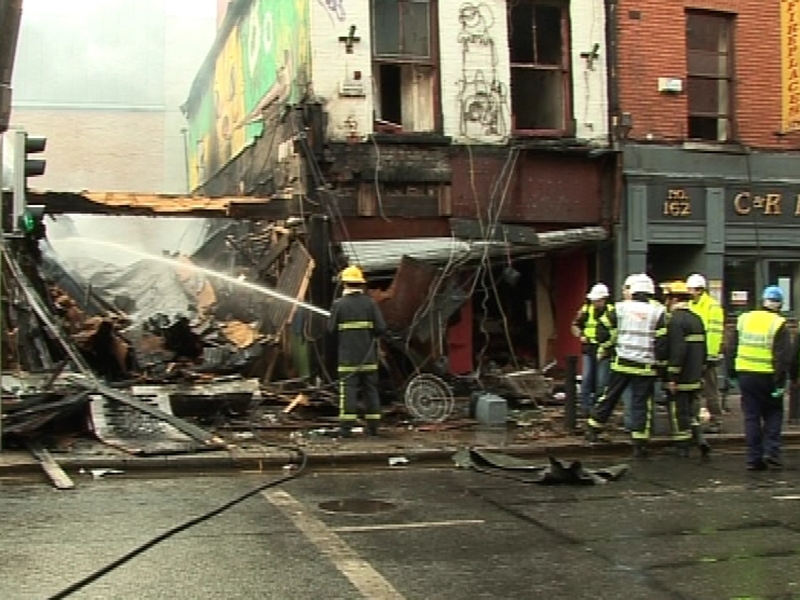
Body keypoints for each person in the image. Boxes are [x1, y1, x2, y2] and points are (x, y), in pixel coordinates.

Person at [586, 274, 668, 458]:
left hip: (621, 363)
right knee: (641, 405)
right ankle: (639, 444)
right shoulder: (658, 312)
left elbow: (602, 330)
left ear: (633, 291)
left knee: (609, 397)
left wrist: (609, 345)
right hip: (645, 367)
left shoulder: (620, 308)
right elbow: (662, 343)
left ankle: (593, 429)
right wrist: (662, 366)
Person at [728, 285, 793, 470]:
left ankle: (753, 458)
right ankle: (772, 452)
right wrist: (781, 383)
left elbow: (731, 348)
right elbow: (783, 357)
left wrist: (732, 373)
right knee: (773, 414)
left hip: (746, 375)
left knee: (751, 417)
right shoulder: (778, 323)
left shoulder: (744, 319)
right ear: (779, 304)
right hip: (768, 376)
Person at [328, 265, 387, 437]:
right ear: (360, 284)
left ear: (345, 284)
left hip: (348, 359)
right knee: (371, 390)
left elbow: (330, 330)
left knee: (348, 392)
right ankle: (373, 427)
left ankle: (346, 429)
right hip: (368, 358)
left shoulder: (339, 305)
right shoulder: (370, 303)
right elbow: (381, 328)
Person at [661, 281, 710, 457]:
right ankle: (699, 438)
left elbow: (677, 349)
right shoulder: (696, 318)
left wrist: (672, 376)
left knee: (678, 410)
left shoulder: (675, 321)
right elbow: (704, 349)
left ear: (674, 299)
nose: (665, 302)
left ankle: (682, 446)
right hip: (695, 374)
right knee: (691, 410)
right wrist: (702, 372)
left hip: (681, 376)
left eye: (667, 298)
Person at [686, 273, 725, 432]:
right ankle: (694, 419)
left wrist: (709, 355)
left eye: (692, 289)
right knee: (694, 388)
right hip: (693, 354)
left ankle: (715, 421)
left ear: (700, 290)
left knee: (710, 389)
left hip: (707, 355)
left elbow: (715, 332)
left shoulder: (712, 306)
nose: (689, 292)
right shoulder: (690, 305)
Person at [571, 283, 613, 418]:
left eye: (597, 301)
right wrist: (581, 336)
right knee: (587, 379)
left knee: (602, 382)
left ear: (604, 299)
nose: (594, 303)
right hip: (589, 349)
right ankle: (585, 408)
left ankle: (598, 409)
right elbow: (575, 325)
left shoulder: (612, 311)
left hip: (605, 350)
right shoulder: (586, 310)